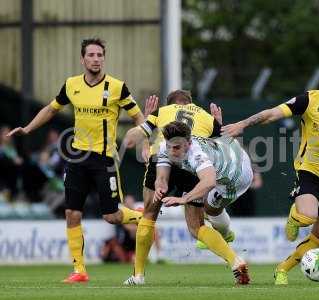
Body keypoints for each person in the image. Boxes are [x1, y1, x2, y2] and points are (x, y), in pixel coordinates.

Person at [222, 52, 319, 285]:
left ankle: (282, 268)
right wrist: (242, 124)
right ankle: (295, 217)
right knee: (307, 216)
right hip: (310, 171)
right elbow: (272, 113)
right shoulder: (309, 100)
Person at [7, 38, 146, 283]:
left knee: (112, 216)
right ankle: (79, 270)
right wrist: (28, 129)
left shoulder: (117, 87)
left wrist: (142, 137)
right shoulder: (71, 85)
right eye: (91, 55)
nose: (96, 59)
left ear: (104, 58)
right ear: (82, 59)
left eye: (100, 55)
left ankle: (146, 217)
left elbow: (139, 118)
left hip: (104, 159)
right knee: (72, 213)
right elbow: (51, 109)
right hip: (77, 157)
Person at [122, 90, 246, 285]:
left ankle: (138, 276)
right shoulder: (204, 116)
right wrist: (218, 123)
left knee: (149, 216)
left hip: (162, 160)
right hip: (193, 166)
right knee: (197, 227)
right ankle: (235, 260)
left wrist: (146, 121)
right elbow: (222, 143)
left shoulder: (162, 112)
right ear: (191, 104)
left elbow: (130, 140)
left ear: (170, 103)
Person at [155, 121, 253, 283]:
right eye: (170, 146)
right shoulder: (167, 146)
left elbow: (209, 181)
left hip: (237, 173)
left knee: (210, 210)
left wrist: (183, 199)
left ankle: (225, 235)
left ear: (189, 143)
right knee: (199, 217)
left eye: (177, 148)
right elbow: (161, 177)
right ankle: (222, 243)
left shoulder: (196, 154)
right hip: (226, 150)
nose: (172, 151)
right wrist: (160, 186)